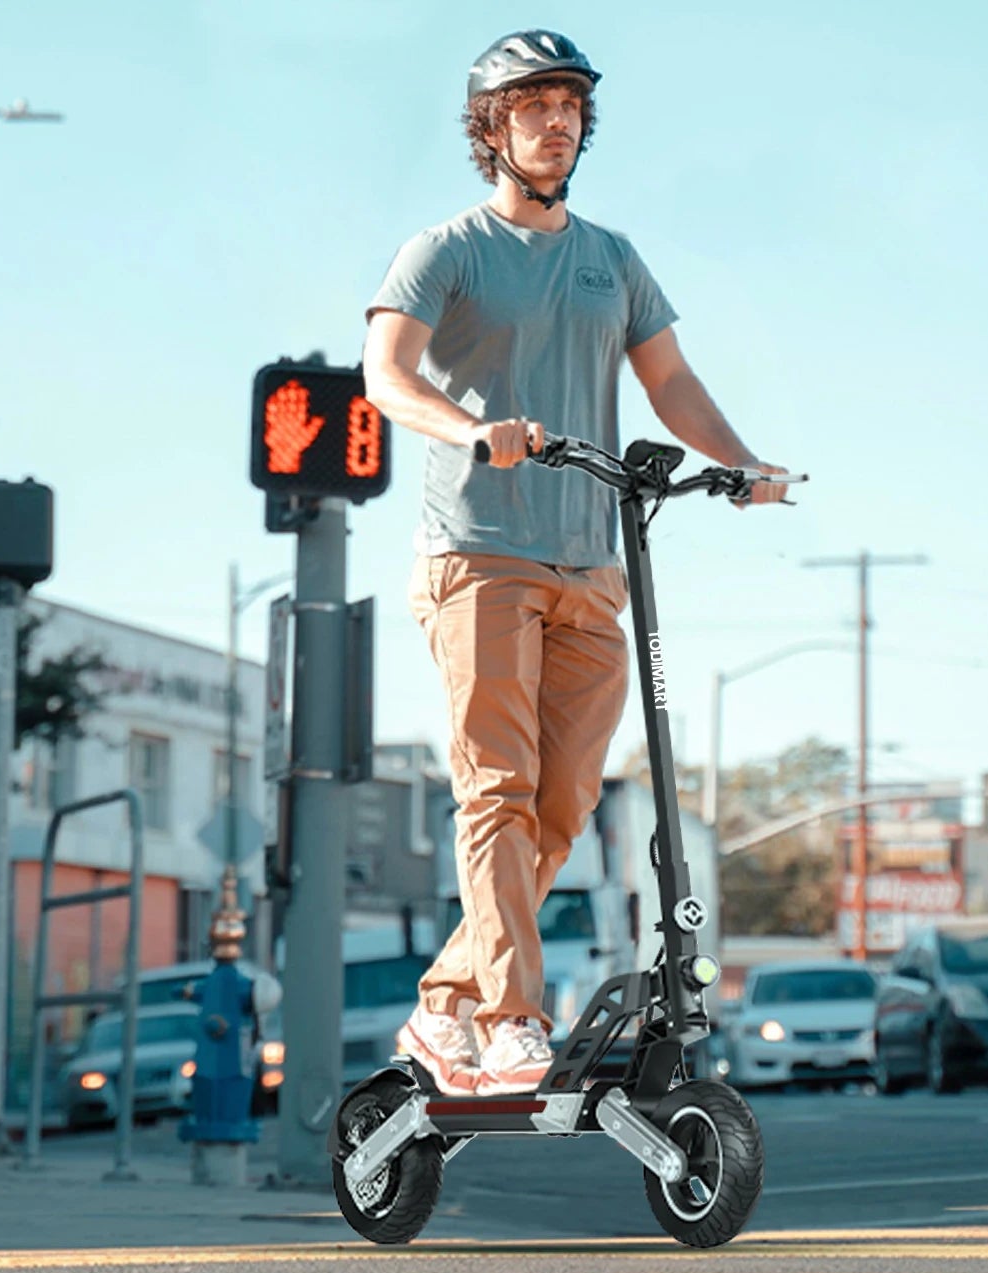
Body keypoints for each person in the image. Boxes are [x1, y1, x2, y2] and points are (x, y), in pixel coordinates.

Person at [362, 29, 788, 1096]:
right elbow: (384, 377)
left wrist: (740, 465)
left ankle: (442, 1002)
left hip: (594, 558)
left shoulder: (613, 258)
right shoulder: (445, 250)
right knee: (496, 791)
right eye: (533, 103)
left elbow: (672, 384)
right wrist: (468, 426)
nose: (557, 120)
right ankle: (508, 1015)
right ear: (490, 126)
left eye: (569, 105)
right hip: (480, 552)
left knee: (562, 807)